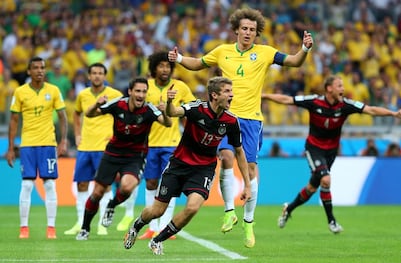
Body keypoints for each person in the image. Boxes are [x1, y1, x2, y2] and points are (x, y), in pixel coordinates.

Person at [168, 7, 313, 247]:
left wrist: (305, 48)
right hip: (226, 118)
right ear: (236, 29)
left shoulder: (266, 53)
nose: (248, 33)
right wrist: (180, 59)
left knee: (252, 169)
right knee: (225, 156)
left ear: (257, 33)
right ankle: (228, 211)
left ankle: (248, 222)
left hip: (252, 120)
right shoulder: (223, 51)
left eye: (252, 30)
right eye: (244, 28)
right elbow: (198, 63)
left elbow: (294, 62)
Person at [123, 76, 252, 255]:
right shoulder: (196, 108)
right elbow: (173, 112)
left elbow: (239, 152)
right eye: (228, 92)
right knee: (157, 210)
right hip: (179, 164)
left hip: (204, 169)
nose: (232, 95)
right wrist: (169, 101)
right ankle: (136, 227)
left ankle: (157, 240)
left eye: (232, 91)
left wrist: (247, 184)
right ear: (214, 95)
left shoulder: (231, 121)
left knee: (192, 207)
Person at [261, 75, 401, 233]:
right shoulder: (314, 101)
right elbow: (287, 100)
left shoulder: (346, 106)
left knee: (311, 188)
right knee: (326, 179)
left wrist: (393, 114)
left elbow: (370, 110)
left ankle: (288, 209)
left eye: (343, 86)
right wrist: (265, 95)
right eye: (339, 86)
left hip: (331, 152)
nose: (343, 89)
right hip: (314, 148)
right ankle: (332, 222)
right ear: (329, 88)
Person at [75, 77, 172, 240]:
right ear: (130, 92)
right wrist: (97, 104)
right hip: (112, 153)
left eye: (144, 91)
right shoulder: (118, 104)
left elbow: (167, 123)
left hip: (135, 156)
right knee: (97, 192)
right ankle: (85, 228)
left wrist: (164, 110)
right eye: (138, 91)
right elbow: (89, 114)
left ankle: (112, 205)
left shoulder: (149, 110)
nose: (141, 95)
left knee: (127, 187)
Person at [118, 51, 197, 238]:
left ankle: (164, 228)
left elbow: (194, 109)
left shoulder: (181, 86)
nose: (164, 69)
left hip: (172, 144)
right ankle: (152, 227)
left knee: (168, 185)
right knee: (151, 183)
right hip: (148, 144)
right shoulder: (146, 87)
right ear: (154, 68)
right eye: (161, 66)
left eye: (168, 66)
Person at [6, 56, 68, 239]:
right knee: (26, 185)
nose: (40, 70)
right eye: (36, 68)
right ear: (29, 71)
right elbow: (14, 120)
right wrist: (11, 148)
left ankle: (51, 228)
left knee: (49, 184)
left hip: (48, 144)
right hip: (27, 145)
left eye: (42, 67)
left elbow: (63, 117)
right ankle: (23, 228)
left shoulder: (54, 90)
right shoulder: (20, 92)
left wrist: (63, 140)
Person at [64, 62, 124, 236]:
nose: (97, 76)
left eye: (100, 73)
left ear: (105, 76)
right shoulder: (82, 95)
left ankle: (101, 225)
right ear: (89, 76)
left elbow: (123, 115)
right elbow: (76, 114)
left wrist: (116, 136)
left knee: (104, 186)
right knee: (82, 184)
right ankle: (80, 222)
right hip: (85, 146)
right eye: (94, 73)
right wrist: (77, 134)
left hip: (105, 147)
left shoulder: (115, 95)